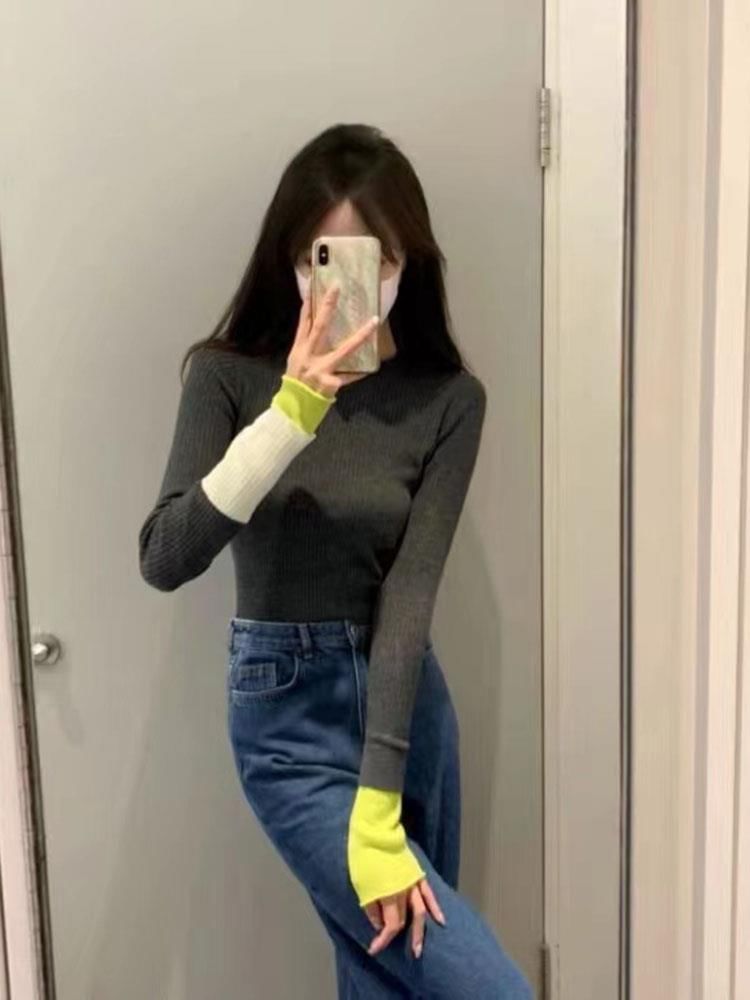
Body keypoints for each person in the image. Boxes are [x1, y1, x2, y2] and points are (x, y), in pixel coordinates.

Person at [138, 122, 532, 998]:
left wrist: (383, 800)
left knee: (390, 981)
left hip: (406, 711)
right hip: (287, 722)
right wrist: (291, 414)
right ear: (291, 260)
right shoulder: (227, 378)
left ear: (406, 262)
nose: (349, 283)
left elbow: (410, 598)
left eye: (374, 259)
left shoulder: (448, 401)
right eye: (324, 258)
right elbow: (165, 557)